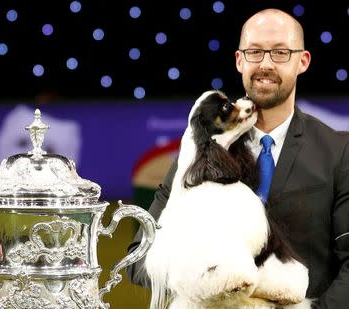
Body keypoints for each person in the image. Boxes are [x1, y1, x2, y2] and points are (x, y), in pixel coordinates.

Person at [126, 8, 349, 309]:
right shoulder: (197, 155)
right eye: (255, 52)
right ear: (239, 60)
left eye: (281, 52)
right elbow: (139, 257)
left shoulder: (338, 151)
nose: (266, 64)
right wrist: (211, 277)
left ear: (303, 61)